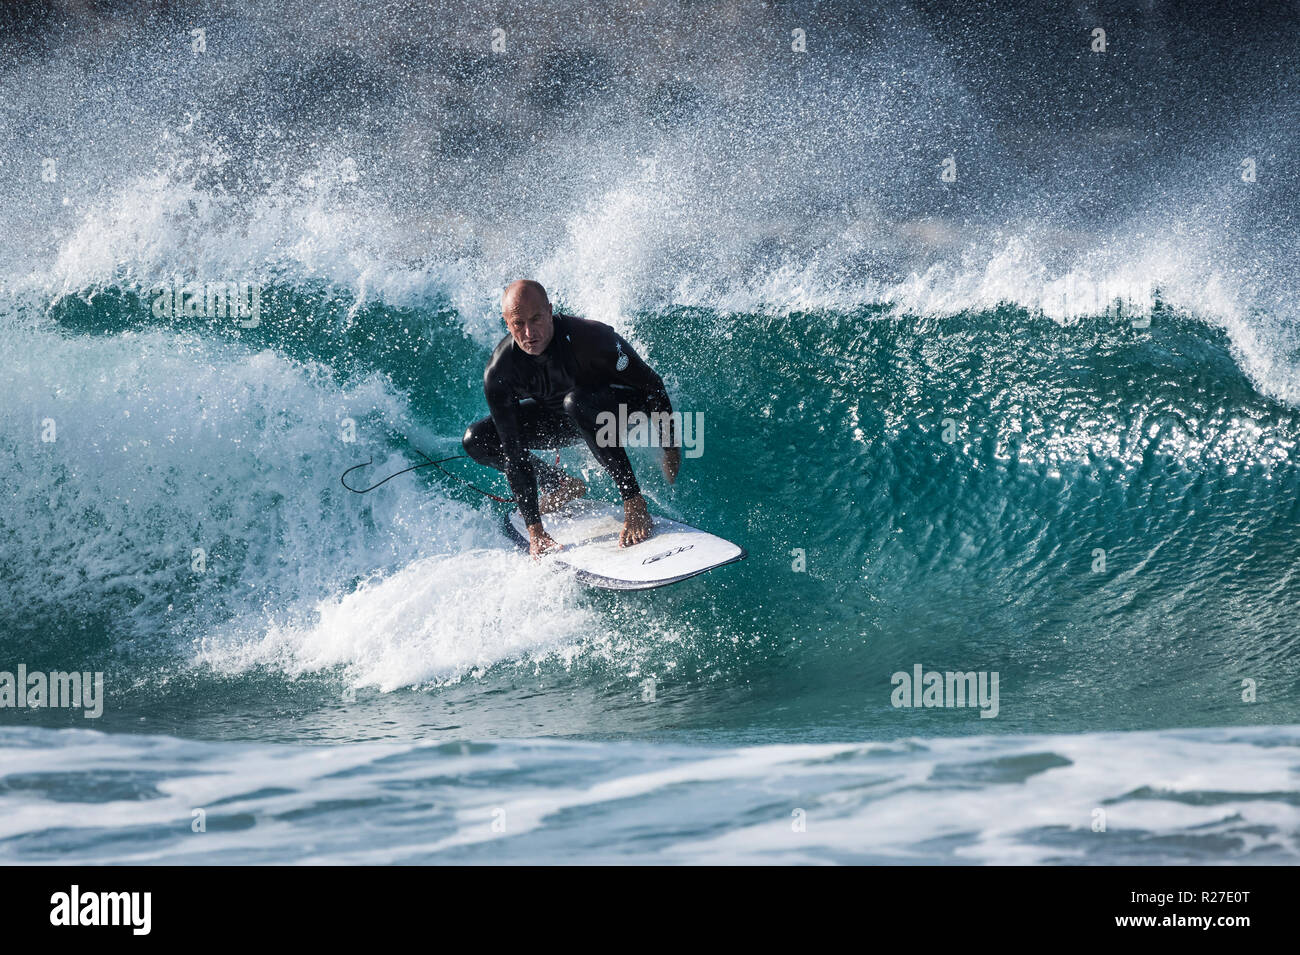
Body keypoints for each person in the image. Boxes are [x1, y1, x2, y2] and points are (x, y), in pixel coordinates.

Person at [463, 279, 681, 558]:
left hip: (620, 410)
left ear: (550, 311)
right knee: (477, 439)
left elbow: (651, 385)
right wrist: (535, 530)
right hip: (567, 418)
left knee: (575, 401)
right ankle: (560, 484)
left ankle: (634, 503)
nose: (529, 332)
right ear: (506, 323)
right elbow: (514, 454)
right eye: (518, 324)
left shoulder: (592, 339)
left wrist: (670, 446)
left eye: (536, 319)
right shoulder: (500, 372)